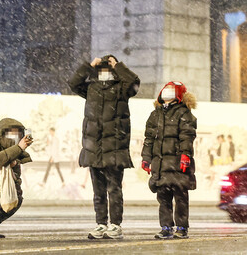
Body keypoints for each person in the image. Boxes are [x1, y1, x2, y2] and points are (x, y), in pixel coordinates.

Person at [69, 54, 140, 240]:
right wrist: (89, 66)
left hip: (114, 149)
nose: (104, 70)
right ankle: (101, 224)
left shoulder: (121, 88)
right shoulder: (91, 88)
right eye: (102, 67)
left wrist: (118, 66)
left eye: (108, 67)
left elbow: (134, 82)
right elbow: (73, 83)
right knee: (98, 191)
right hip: (94, 148)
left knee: (114, 189)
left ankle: (115, 225)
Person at [141, 81, 197, 240]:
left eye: (171, 90)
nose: (167, 92)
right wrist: (146, 158)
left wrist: (185, 154)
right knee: (163, 197)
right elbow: (149, 139)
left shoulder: (184, 114)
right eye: (166, 89)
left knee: (180, 196)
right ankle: (166, 227)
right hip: (160, 164)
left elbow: (187, 136)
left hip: (178, 163)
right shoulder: (155, 114)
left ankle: (182, 227)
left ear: (178, 94)